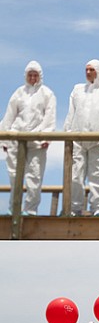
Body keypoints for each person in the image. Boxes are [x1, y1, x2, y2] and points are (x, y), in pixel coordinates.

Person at [63, 59, 99, 216]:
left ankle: (97, 209)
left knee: (98, 176)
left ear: (98, 71)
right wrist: (67, 133)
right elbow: (71, 113)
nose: (88, 73)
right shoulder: (78, 90)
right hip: (78, 140)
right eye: (86, 70)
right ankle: (74, 208)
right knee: (75, 175)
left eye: (91, 70)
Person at [1, 61, 56, 215]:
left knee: (35, 175)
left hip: (37, 140)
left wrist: (46, 137)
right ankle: (14, 208)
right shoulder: (18, 93)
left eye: (35, 75)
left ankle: (30, 210)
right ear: (26, 76)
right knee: (14, 175)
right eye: (30, 75)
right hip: (16, 139)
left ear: (40, 76)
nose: (32, 78)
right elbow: (9, 115)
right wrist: (4, 138)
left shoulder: (47, 93)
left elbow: (50, 117)